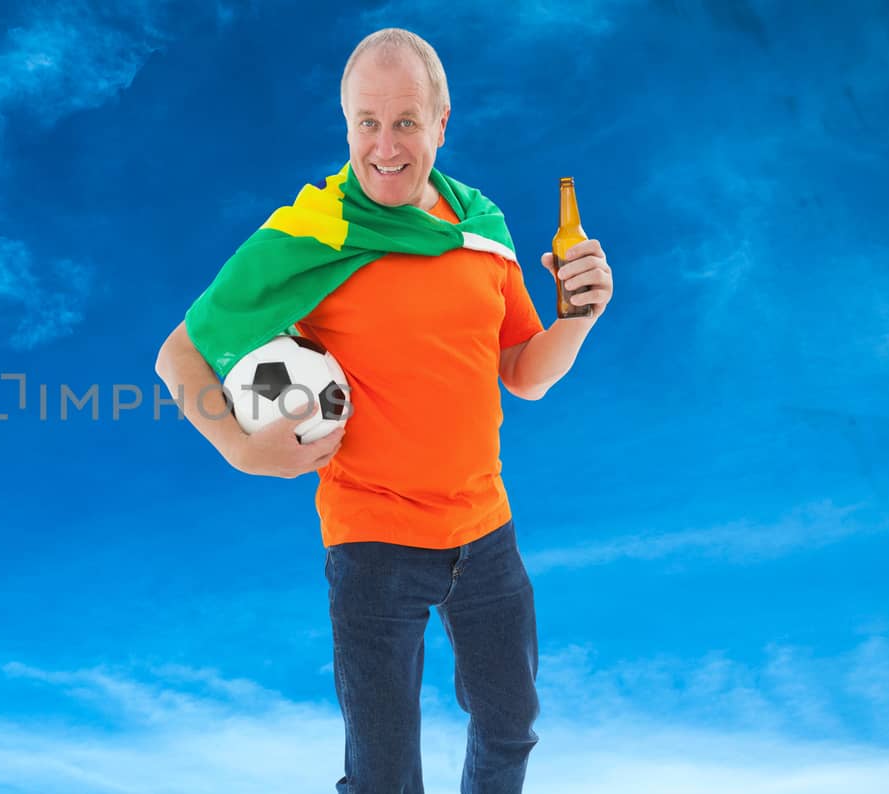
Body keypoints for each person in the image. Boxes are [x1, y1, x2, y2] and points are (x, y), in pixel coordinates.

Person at [152, 28, 614, 794]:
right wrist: (239, 447)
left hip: (485, 533)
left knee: (510, 726)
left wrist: (578, 319)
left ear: (442, 123)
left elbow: (523, 373)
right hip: (372, 541)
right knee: (383, 773)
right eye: (367, 122)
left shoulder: (483, 230)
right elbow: (179, 356)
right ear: (345, 126)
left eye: (405, 122)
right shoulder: (312, 234)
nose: (385, 145)